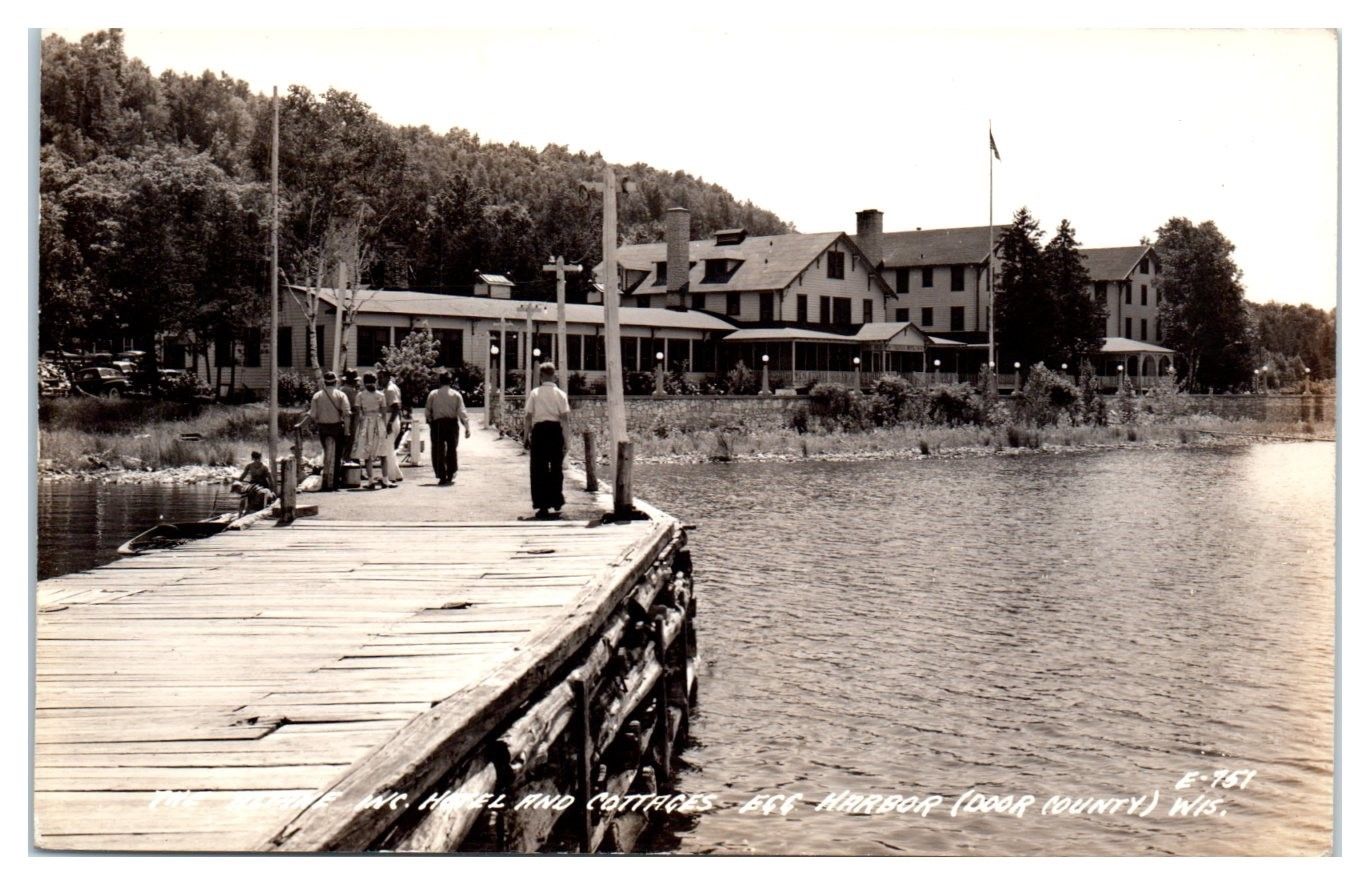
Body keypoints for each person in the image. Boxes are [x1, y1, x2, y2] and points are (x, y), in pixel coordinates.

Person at [524, 362, 570, 519]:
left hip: (540, 431)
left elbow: (528, 416)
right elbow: (565, 419)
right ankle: (556, 499)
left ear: (541, 376)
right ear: (554, 375)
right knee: (556, 467)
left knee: (538, 469)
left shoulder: (535, 393)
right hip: (555, 431)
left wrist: (526, 436)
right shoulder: (561, 395)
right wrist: (567, 440)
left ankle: (541, 504)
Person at [296, 371, 350, 490]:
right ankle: (335, 480)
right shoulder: (341, 395)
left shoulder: (317, 396)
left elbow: (312, 415)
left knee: (326, 453)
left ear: (324, 382)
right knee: (338, 455)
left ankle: (326, 478)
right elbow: (346, 414)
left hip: (323, 428)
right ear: (335, 382)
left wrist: (301, 425)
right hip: (337, 427)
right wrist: (347, 431)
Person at [425, 370, 470, 486]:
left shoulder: (433, 394)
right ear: (451, 381)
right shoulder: (456, 394)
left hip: (438, 424)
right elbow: (462, 412)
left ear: (440, 381)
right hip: (451, 424)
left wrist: (430, 421)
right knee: (452, 449)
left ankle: (441, 475)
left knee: (438, 450)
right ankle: (450, 472)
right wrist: (467, 427)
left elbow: (428, 411)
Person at [352, 373, 394, 489]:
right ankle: (385, 480)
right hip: (378, 423)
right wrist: (384, 427)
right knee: (383, 452)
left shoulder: (360, 395)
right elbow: (384, 412)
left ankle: (371, 481)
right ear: (375, 381)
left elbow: (357, 413)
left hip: (365, 423)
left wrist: (356, 428)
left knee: (367, 453)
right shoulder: (381, 395)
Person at [377, 368, 404, 483]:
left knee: (388, 449)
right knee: (389, 448)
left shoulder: (390, 389)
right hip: (391, 419)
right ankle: (397, 473)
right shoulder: (391, 388)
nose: (379, 380)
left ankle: (391, 476)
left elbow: (396, 407)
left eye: (381, 377)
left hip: (390, 419)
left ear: (387, 377)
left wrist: (390, 423)